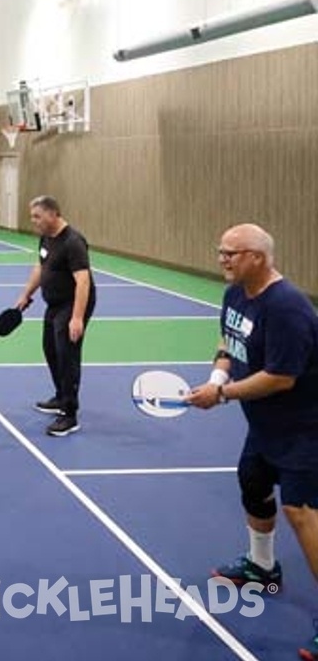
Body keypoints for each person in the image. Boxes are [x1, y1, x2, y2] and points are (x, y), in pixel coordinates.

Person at [182, 224, 318, 659]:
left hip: (304, 429)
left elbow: (281, 377)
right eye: (220, 251)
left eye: (231, 253)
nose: (222, 259)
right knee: (253, 484)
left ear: (258, 257)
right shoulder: (235, 294)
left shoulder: (287, 308)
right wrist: (218, 375)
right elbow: (229, 340)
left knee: (302, 513)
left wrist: (220, 394)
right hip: (265, 427)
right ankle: (262, 568)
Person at [11, 196, 96, 437]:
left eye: (37, 216)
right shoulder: (46, 237)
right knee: (50, 349)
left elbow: (83, 281)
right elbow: (41, 267)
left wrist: (77, 317)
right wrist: (26, 294)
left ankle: (69, 415)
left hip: (73, 304)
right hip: (55, 304)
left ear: (53, 214)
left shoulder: (73, 242)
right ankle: (61, 396)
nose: (33, 221)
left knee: (67, 354)